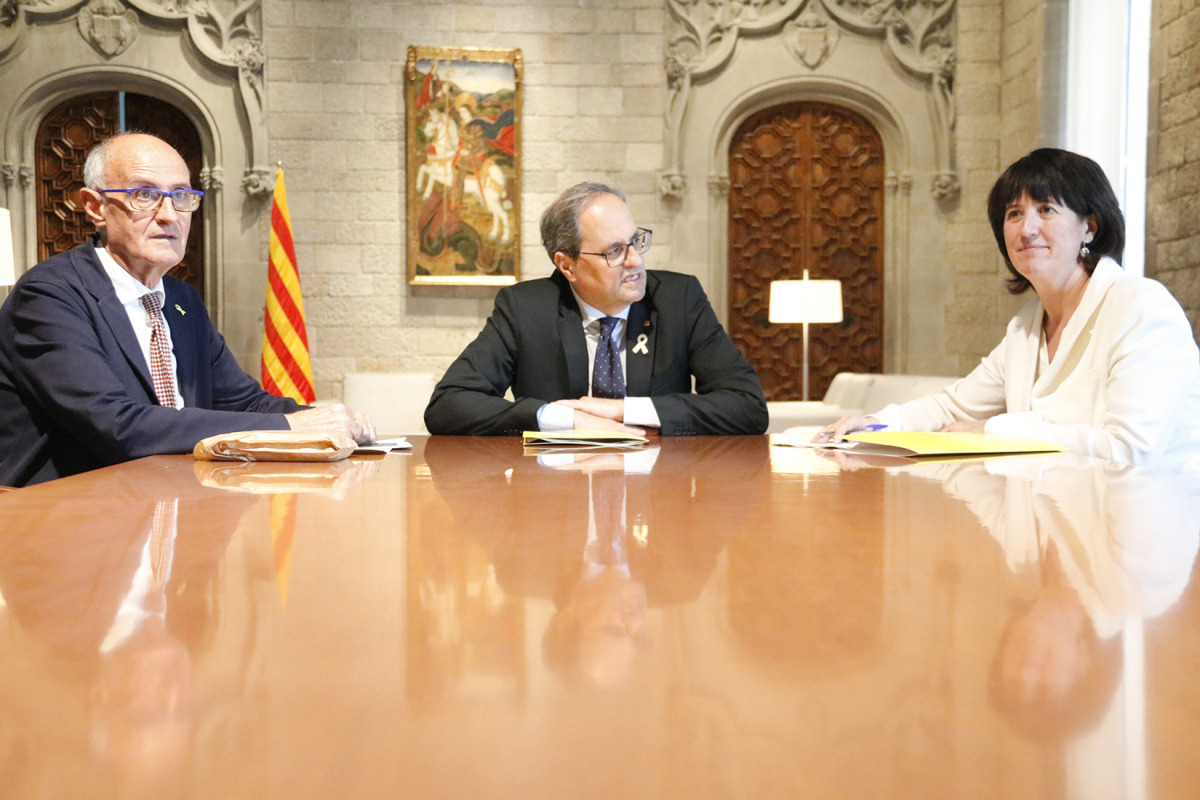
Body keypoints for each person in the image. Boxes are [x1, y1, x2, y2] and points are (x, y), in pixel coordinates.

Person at [0, 132, 374, 487]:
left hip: (171, 497)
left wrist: (325, 420)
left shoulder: (182, 300)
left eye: (180, 196)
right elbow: (117, 426)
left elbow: (244, 402)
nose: (169, 215)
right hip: (62, 512)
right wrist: (291, 429)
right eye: (145, 195)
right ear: (95, 207)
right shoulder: (49, 296)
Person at [819, 148, 1200, 472]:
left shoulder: (1140, 306)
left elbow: (1129, 451)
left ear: (1090, 227)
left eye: (1046, 210)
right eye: (1014, 213)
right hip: (1057, 517)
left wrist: (992, 430)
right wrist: (875, 424)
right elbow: (955, 405)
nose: (1026, 229)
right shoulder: (1025, 325)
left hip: (1147, 523)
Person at [424, 181, 768, 436]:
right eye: (614, 251)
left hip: (656, 493)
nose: (635, 261)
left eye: (636, 242)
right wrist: (567, 419)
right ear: (567, 265)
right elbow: (448, 405)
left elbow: (748, 405)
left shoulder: (678, 300)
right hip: (553, 498)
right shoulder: (525, 309)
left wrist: (622, 411)